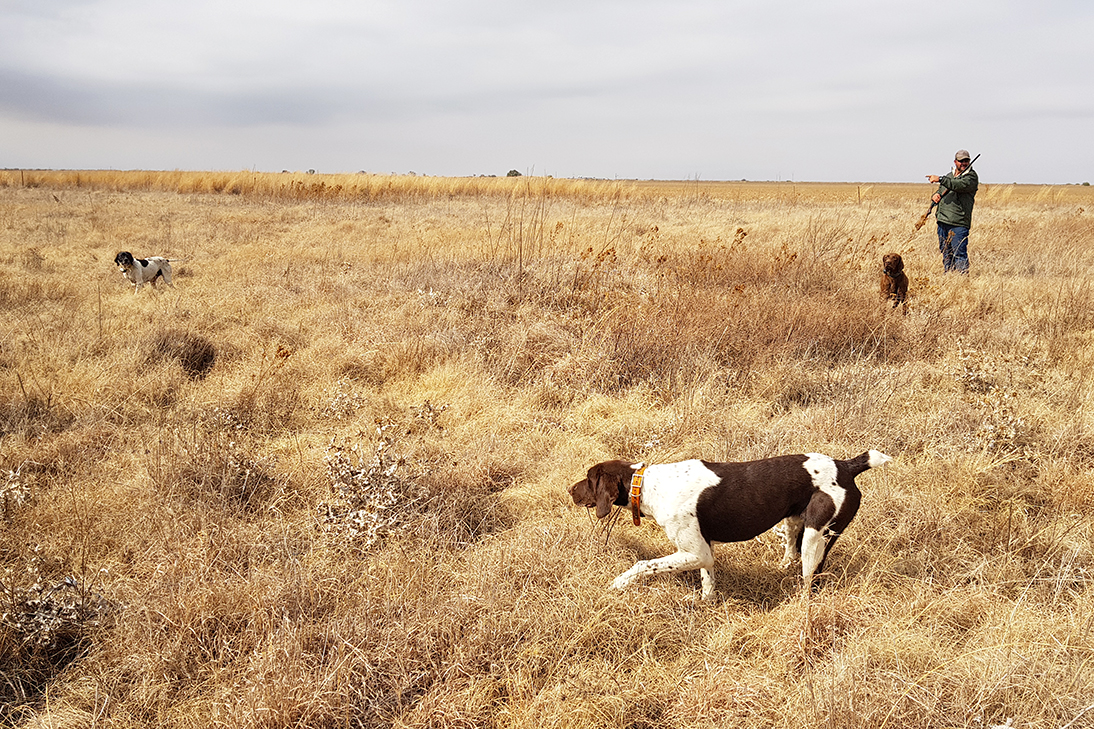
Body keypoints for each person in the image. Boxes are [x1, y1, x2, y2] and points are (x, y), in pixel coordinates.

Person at [927, 149, 978, 273]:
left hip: (958, 223)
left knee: (959, 254)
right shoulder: (949, 176)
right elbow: (942, 189)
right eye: (961, 161)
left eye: (966, 160)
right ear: (955, 162)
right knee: (946, 253)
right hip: (943, 221)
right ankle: (948, 278)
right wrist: (935, 195)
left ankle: (962, 282)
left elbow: (957, 185)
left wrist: (940, 178)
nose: (964, 163)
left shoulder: (971, 177)